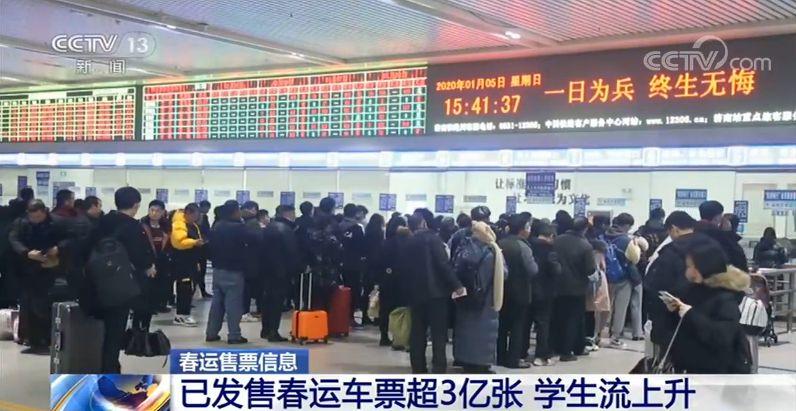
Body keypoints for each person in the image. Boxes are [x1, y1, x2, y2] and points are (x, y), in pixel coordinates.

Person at [663, 236, 752, 373]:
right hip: (688, 366)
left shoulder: (725, 299)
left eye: (690, 266)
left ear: (703, 268)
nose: (687, 270)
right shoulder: (690, 290)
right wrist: (674, 310)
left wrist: (689, 314)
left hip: (715, 370)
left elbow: (722, 336)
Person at [94, 187, 156, 373]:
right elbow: (140, 256)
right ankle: (109, 368)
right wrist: (149, 267)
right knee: (115, 330)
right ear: (136, 205)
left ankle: (96, 362)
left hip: (96, 281)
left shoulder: (101, 222)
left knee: (98, 328)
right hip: (120, 285)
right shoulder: (134, 227)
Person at [406, 214, 465, 374]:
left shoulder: (409, 242)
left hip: (415, 293)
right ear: (424, 223)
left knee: (417, 332)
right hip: (436, 293)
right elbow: (443, 265)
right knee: (438, 332)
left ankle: (418, 367)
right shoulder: (433, 239)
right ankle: (439, 366)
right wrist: (456, 285)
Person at [7, 200, 69, 354]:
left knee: (44, 305)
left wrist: (58, 249)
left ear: (45, 212)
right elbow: (14, 239)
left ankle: (48, 339)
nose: (35, 220)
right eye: (32, 217)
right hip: (28, 268)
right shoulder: (21, 223)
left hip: (50, 268)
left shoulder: (58, 222)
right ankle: (33, 340)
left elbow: (70, 239)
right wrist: (26, 253)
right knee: (28, 305)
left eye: (38, 217)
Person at [453, 221, 506, 374]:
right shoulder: (492, 252)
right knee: (484, 332)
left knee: (466, 330)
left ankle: (465, 360)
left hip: (465, 297)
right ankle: (482, 363)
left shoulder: (463, 249)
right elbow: (504, 273)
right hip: (486, 299)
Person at [644, 211, 698, 353]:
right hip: (702, 322)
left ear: (674, 229)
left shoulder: (671, 253)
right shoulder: (712, 248)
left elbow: (654, 286)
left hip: (672, 322)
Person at [206, 201, 258, 344]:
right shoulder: (239, 228)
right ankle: (234, 335)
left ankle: (211, 333)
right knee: (233, 305)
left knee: (217, 304)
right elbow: (256, 239)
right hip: (234, 271)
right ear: (235, 212)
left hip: (218, 269)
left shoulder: (217, 226)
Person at [551, 217, 596, 361]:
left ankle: (556, 347)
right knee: (574, 320)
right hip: (577, 288)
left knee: (558, 318)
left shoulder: (557, 240)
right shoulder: (585, 246)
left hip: (557, 286)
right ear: (585, 228)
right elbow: (590, 269)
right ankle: (567, 351)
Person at [497, 214, 537, 369]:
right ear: (523, 229)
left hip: (501, 291)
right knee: (517, 327)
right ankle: (513, 359)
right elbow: (532, 269)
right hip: (520, 291)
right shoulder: (523, 246)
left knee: (501, 326)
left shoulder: (499, 243)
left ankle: (500, 356)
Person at [260, 204, 301, 342]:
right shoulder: (286, 229)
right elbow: (291, 252)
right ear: (288, 213)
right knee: (277, 303)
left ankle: (265, 330)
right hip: (281, 271)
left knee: (267, 300)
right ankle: (273, 331)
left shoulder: (269, 227)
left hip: (267, 269)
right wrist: (295, 269)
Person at [603, 213, 643, 348]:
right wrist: (636, 245)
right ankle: (615, 337)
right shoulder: (626, 240)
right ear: (626, 225)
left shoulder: (604, 235)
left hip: (607, 276)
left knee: (606, 307)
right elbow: (635, 259)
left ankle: (600, 334)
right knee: (621, 308)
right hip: (624, 277)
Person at [526, 221, 561, 366]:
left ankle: (522, 352)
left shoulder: (527, 245)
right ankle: (541, 356)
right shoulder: (550, 249)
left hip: (528, 289)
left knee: (525, 322)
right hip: (545, 291)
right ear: (551, 235)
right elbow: (555, 270)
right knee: (543, 324)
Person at [378, 215, 412, 346]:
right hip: (403, 280)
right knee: (402, 310)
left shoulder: (385, 243)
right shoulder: (408, 242)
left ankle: (384, 336)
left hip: (386, 280)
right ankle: (400, 337)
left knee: (385, 309)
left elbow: (378, 263)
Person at [170, 203, 206, 327]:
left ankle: (185, 313)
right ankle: (180, 315)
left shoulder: (192, 225)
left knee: (189, 288)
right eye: (195, 215)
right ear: (188, 213)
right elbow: (178, 242)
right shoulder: (179, 224)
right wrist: (194, 242)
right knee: (184, 288)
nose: (196, 218)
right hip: (182, 262)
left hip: (191, 261)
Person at [695, 201, 749, 272]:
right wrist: (728, 233)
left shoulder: (693, 232)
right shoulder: (719, 236)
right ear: (716, 217)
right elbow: (738, 260)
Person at [339, 203, 368, 326]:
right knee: (354, 290)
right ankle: (350, 316)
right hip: (354, 264)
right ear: (355, 214)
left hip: (340, 263)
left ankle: (340, 316)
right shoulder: (357, 228)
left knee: (341, 290)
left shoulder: (338, 226)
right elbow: (362, 247)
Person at [140, 200, 172, 314]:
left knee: (162, 283)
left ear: (163, 212)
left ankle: (159, 304)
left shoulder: (166, 225)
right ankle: (148, 306)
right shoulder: (142, 225)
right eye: (152, 210)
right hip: (147, 258)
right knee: (148, 284)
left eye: (158, 211)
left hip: (162, 258)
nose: (154, 213)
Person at [585, 240, 611, 352]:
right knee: (597, 313)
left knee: (589, 313)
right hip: (598, 285)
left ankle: (590, 338)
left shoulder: (589, 254)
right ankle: (593, 338)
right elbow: (602, 267)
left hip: (589, 288)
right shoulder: (598, 256)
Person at [240, 201, 264, 322]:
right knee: (247, 288)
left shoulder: (248, 223)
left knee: (247, 288)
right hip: (251, 261)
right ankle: (245, 311)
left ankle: (244, 311)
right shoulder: (252, 224)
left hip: (248, 261)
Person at [364, 213, 386, 327]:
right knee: (378, 292)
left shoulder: (367, 232)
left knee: (367, 291)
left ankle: (365, 315)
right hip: (378, 265)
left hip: (367, 264)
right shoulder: (380, 234)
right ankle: (377, 317)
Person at [196, 200, 212, 298]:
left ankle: (202, 291)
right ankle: (200, 291)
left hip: (201, 247)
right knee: (200, 271)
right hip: (199, 247)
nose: (207, 210)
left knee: (201, 271)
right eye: (207, 208)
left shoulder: (203, 217)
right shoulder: (199, 217)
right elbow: (205, 231)